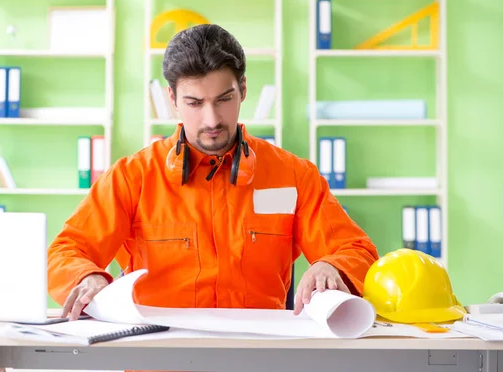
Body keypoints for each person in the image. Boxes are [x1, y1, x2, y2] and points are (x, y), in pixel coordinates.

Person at [47, 24, 379, 324]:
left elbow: (357, 250)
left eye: (224, 99)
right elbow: (65, 252)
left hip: (258, 358)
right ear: (173, 99)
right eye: (194, 103)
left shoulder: (294, 176)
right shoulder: (132, 177)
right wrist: (86, 277)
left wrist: (333, 266)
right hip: (157, 358)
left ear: (243, 90)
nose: (211, 120)